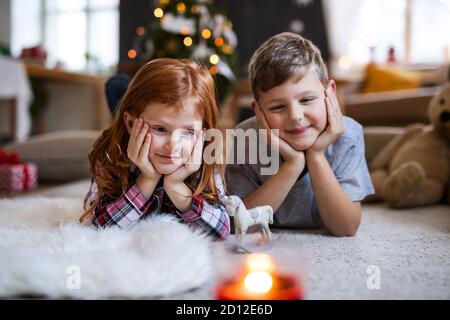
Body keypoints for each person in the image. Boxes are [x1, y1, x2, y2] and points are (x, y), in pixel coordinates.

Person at [225, 32, 374, 237]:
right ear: (258, 110)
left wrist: (316, 154)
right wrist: (293, 164)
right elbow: (238, 226)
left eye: (306, 100)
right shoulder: (244, 139)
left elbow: (346, 227)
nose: (295, 116)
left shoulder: (348, 137)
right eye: (278, 107)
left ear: (329, 93)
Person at [82, 58, 230, 240]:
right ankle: (119, 97)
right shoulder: (110, 154)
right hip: (125, 134)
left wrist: (176, 187)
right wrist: (147, 179)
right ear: (130, 123)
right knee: (119, 107)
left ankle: (122, 95)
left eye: (188, 132)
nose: (173, 145)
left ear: (202, 133)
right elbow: (99, 227)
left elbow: (221, 231)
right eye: (160, 129)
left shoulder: (201, 155)